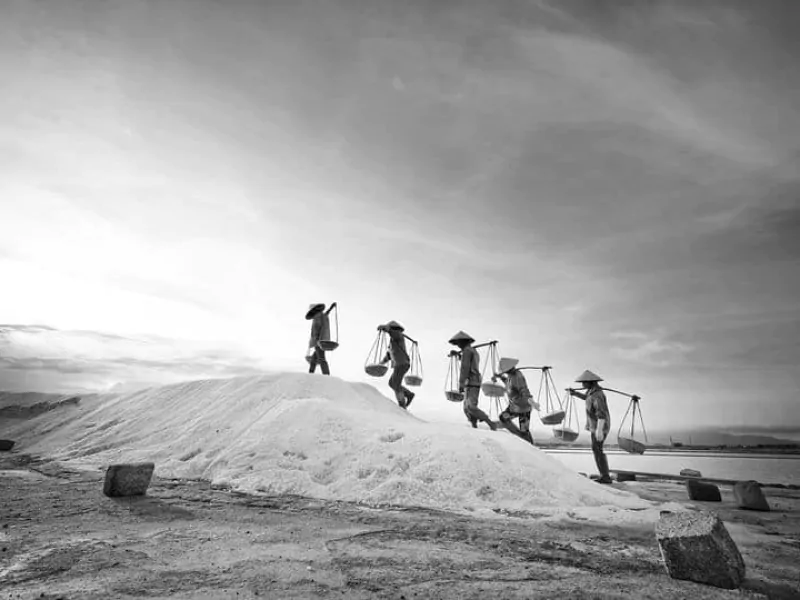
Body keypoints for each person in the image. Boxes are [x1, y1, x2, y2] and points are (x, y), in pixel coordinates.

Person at [569, 370, 612, 484]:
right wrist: (575, 393)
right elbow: (586, 398)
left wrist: (599, 430)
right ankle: (604, 475)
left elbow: (601, 413)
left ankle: (605, 476)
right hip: (595, 426)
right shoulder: (591, 392)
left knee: (597, 449)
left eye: (584, 383)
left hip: (600, 425)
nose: (582, 385)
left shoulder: (597, 395)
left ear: (591, 382)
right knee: (596, 449)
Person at [448, 331, 497, 430]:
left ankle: (490, 423)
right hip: (473, 382)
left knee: (470, 407)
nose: (458, 345)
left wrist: (461, 384)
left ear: (463, 342)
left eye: (458, 343)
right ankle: (474, 426)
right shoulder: (472, 351)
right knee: (467, 408)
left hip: (471, 382)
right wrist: (459, 356)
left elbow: (465, 368)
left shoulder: (467, 351)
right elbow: (470, 363)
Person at [492, 357, 535, 445]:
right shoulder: (511, 376)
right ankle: (521, 437)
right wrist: (500, 377)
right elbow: (508, 383)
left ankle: (529, 444)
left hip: (523, 406)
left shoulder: (517, 377)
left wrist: (525, 400)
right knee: (504, 418)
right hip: (515, 405)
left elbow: (524, 390)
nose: (505, 372)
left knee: (524, 430)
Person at [378, 320, 416, 409]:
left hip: (402, 363)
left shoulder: (399, 336)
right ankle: (408, 394)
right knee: (391, 383)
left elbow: (394, 333)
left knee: (396, 384)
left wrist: (386, 328)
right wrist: (381, 362)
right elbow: (389, 355)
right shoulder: (392, 342)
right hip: (398, 365)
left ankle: (402, 404)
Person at [305, 302, 336, 375]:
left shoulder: (318, 317)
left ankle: (326, 375)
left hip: (319, 341)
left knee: (322, 359)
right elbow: (326, 314)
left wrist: (315, 340)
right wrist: (331, 308)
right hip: (320, 341)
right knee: (313, 360)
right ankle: (310, 374)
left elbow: (316, 331)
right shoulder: (320, 316)